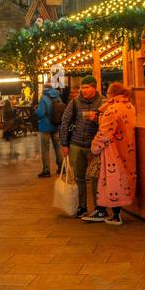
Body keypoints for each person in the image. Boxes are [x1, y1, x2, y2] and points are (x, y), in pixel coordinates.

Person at [90, 83, 136, 225]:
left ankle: (115, 215)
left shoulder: (112, 109)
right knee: (122, 179)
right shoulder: (129, 106)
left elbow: (105, 132)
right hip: (127, 149)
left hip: (112, 151)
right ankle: (113, 213)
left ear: (111, 94)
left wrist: (94, 147)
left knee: (113, 180)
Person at [59, 76, 105, 220]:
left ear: (94, 88)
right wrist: (64, 144)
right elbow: (65, 122)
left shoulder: (103, 102)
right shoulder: (74, 103)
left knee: (96, 177)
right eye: (82, 88)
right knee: (79, 178)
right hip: (76, 144)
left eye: (87, 87)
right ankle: (82, 206)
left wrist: (96, 119)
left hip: (95, 147)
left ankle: (99, 207)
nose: (83, 90)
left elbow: (108, 124)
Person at [34, 85, 64, 178]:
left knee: (45, 149)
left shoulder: (44, 98)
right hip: (55, 125)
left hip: (45, 126)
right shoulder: (58, 96)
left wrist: (36, 110)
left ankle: (46, 171)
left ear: (44, 89)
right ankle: (62, 168)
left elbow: (41, 113)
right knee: (58, 148)